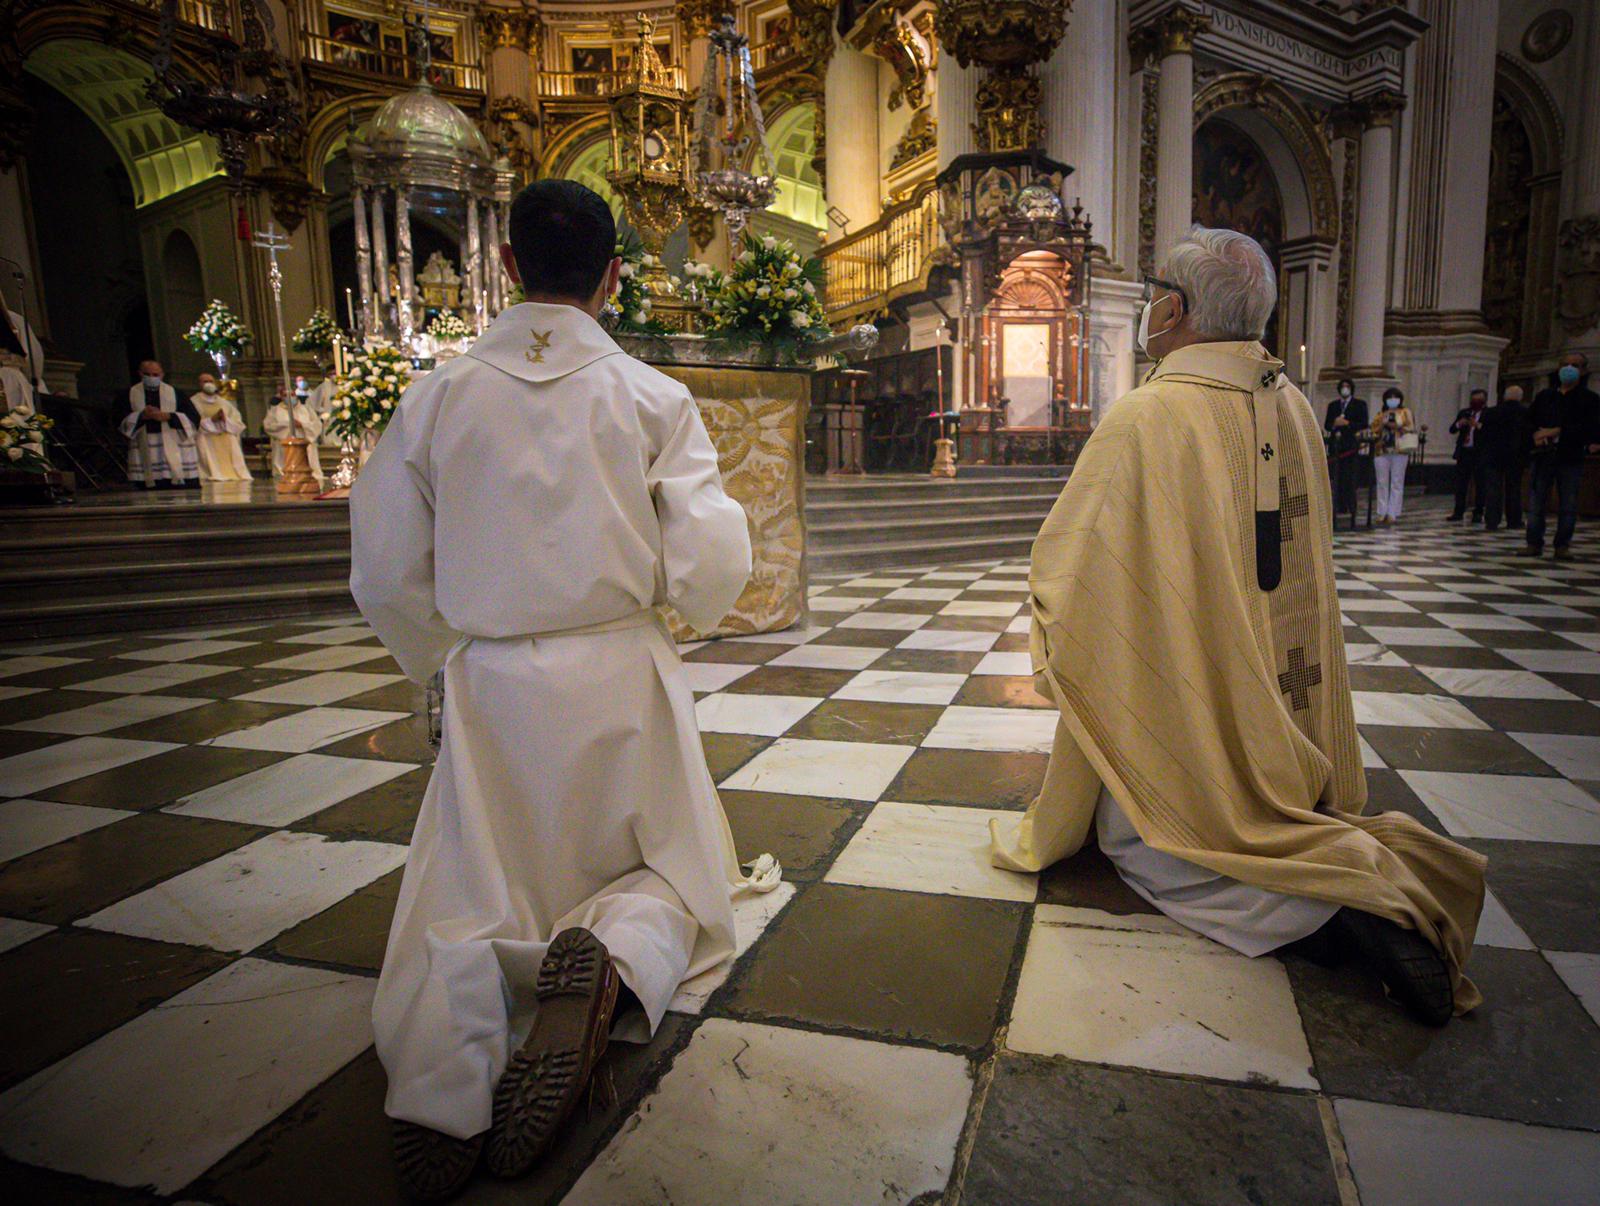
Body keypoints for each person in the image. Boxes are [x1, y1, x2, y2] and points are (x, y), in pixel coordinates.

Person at [350, 179, 776, 1200]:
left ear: (507, 270)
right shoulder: (650, 395)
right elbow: (713, 557)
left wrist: (439, 654)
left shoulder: (437, 396)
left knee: (466, 897)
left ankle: (444, 1076)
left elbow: (382, 569)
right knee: (676, 875)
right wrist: (682, 617)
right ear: (614, 274)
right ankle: (609, 964)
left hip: (492, 682)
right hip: (619, 672)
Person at [989, 226, 1486, 1031]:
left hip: (1188, 675)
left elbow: (1076, 570)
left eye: (1153, 296)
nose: (1151, 309)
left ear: (1175, 308)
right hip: (1278, 680)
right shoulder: (1291, 401)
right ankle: (1343, 873)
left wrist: (1066, 627)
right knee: (1261, 805)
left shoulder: (1148, 415)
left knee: (1142, 836)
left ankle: (1332, 917)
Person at [1519, 352, 1600, 558]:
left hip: (1570, 456)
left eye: (1575, 365)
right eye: (1565, 364)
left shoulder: (1590, 399)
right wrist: (1535, 434)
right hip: (1543, 455)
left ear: (1583, 371)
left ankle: (1562, 545)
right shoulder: (1546, 396)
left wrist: (1557, 431)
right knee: (1536, 502)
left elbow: (1589, 428)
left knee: (1568, 504)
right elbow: (1529, 420)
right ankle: (1533, 543)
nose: (1569, 368)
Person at [120, 360, 198, 488]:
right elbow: (119, 418)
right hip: (144, 443)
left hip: (172, 439)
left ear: (162, 375)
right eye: (147, 374)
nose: (151, 377)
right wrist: (141, 416)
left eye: (155, 375)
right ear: (140, 374)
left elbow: (193, 418)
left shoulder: (176, 393)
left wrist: (168, 416)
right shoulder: (129, 394)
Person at [1478, 384, 1527, 531]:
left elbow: (1483, 434)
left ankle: (1492, 521)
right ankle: (1514, 521)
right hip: (1515, 456)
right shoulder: (1525, 412)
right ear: (1520, 398)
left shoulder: (1491, 412)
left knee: (1493, 489)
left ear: (1504, 397)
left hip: (1493, 455)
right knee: (1514, 489)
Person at [190, 372, 251, 483]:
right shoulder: (194, 402)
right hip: (206, 438)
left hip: (226, 437)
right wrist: (211, 420)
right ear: (199, 384)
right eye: (205, 381)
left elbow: (237, 421)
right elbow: (192, 423)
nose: (208, 384)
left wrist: (225, 420)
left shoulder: (224, 403)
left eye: (211, 381)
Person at [261, 380, 325, 483]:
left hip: (305, 440)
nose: (289, 397)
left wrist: (303, 425)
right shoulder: (275, 410)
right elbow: (269, 426)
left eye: (292, 394)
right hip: (284, 443)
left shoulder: (306, 409)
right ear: (281, 397)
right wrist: (288, 426)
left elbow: (317, 424)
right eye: (285, 395)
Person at [1322, 377, 1367, 520]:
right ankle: (1338, 506)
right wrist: (1335, 424)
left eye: (1347, 386)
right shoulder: (1334, 405)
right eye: (1342, 386)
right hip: (1336, 447)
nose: (1345, 389)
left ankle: (1350, 507)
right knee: (1337, 478)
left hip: (1350, 445)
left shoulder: (1359, 404)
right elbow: (1327, 425)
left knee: (1350, 478)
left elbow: (1363, 423)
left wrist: (1347, 423)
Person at [1369, 387, 1415, 525]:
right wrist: (1383, 424)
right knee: (1382, 482)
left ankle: (1393, 512)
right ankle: (1382, 512)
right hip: (1382, 450)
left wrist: (1396, 425)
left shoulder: (1405, 412)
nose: (1392, 400)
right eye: (1390, 398)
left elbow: (1410, 427)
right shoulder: (1380, 414)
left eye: (1395, 397)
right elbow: (1374, 430)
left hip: (1399, 449)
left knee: (1397, 482)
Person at [1448, 389, 1491, 522]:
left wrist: (1477, 425)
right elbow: (1452, 429)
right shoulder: (1465, 413)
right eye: (1473, 400)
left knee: (1480, 483)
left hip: (1479, 453)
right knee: (1461, 483)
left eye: (1478, 400)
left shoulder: (1488, 414)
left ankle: (1478, 512)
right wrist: (1459, 423)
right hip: (1465, 452)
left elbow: (1492, 432)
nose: (1475, 403)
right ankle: (1458, 511)